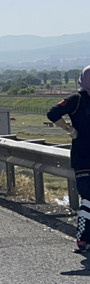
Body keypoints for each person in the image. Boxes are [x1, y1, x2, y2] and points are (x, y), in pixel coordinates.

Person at [47, 64, 90, 254]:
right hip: (83, 157)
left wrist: (70, 130)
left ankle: (82, 240)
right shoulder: (77, 99)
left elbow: (53, 113)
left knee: (87, 199)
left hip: (82, 157)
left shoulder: (76, 99)